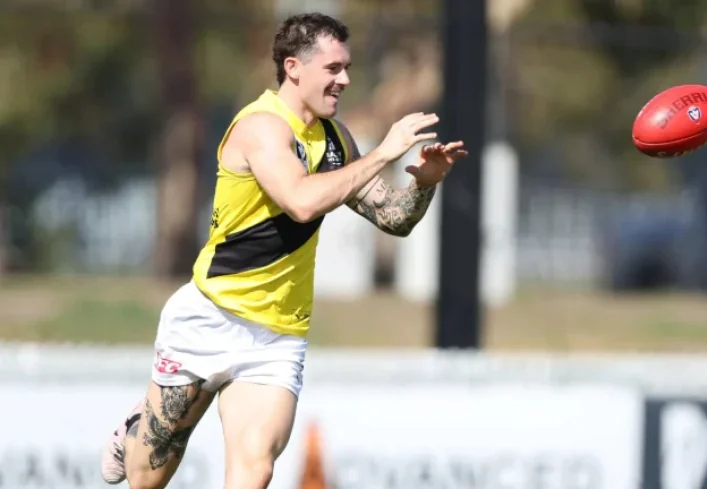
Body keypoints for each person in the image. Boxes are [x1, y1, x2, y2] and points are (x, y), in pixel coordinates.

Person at [100, 12, 467, 489]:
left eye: (347, 68)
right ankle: (134, 430)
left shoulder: (335, 141)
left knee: (257, 468)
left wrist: (425, 184)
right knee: (144, 479)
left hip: (276, 336)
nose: (345, 80)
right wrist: (384, 152)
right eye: (333, 69)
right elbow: (300, 201)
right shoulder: (261, 127)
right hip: (210, 317)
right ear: (294, 68)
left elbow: (393, 218)